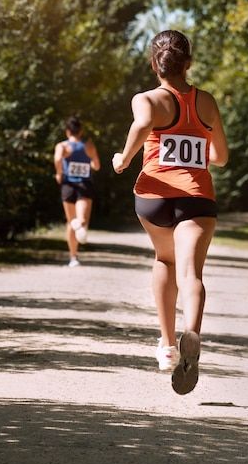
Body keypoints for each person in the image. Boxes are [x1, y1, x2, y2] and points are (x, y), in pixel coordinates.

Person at [112, 30, 228, 395]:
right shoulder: (206, 102)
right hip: (197, 198)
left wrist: (123, 158)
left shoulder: (146, 99)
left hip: (154, 197)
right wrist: (200, 147)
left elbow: (143, 124)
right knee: (192, 273)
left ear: (154, 63)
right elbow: (221, 157)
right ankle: (191, 332)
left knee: (164, 260)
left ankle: (166, 347)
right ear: (188, 63)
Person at [54, 116, 100, 267]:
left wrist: (59, 173)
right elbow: (97, 165)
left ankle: (73, 258)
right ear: (81, 131)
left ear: (67, 131)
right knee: (82, 221)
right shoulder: (88, 145)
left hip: (68, 185)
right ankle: (78, 228)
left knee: (71, 222)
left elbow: (57, 159)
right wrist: (90, 165)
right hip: (84, 185)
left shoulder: (62, 146)